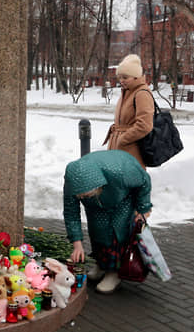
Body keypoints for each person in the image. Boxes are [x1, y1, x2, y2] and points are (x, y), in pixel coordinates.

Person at [63, 150, 152, 294]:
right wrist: (77, 243)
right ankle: (101, 264)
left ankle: (114, 272)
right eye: (81, 195)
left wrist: (143, 209)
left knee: (117, 233)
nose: (83, 196)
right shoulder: (73, 181)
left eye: (87, 193)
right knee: (97, 230)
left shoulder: (121, 172)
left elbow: (144, 181)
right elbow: (71, 212)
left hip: (122, 200)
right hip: (95, 206)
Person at [103, 54, 154, 169]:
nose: (121, 81)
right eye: (120, 77)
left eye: (125, 77)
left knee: (128, 184)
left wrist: (123, 139)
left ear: (135, 76)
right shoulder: (127, 91)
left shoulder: (141, 93)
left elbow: (145, 125)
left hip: (131, 151)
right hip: (120, 149)